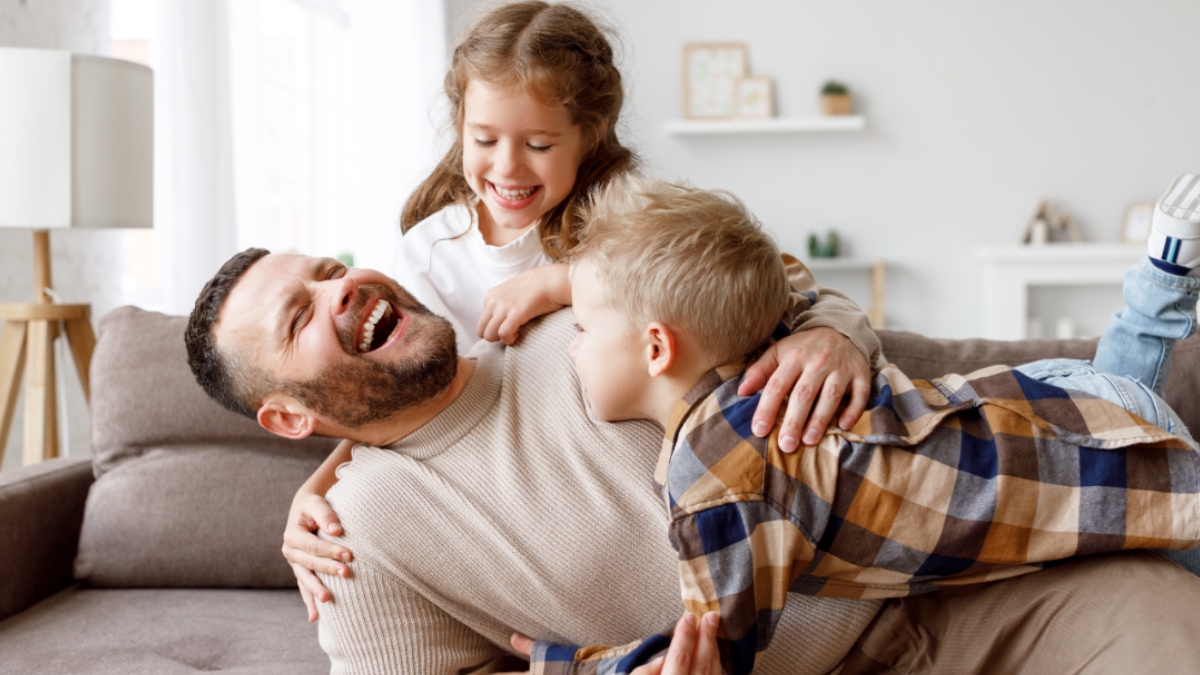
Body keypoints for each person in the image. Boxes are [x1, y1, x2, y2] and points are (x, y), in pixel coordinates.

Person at [184, 247, 1200, 673]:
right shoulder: (356, 536)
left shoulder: (573, 320)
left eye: (328, 268)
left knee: (1169, 620)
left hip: (949, 589)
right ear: (284, 418)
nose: (342, 288)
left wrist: (835, 331)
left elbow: (775, 278)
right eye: (303, 313)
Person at [283, 0, 883, 619]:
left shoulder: (624, 217)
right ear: (459, 125)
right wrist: (316, 486)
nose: (508, 167)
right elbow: (390, 398)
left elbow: (770, 280)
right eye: (484, 139)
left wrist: (562, 282)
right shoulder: (431, 253)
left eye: (539, 144)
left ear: (589, 136)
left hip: (653, 475)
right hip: (518, 495)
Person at [520, 174, 1200, 675]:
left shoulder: (717, 479)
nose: (572, 346)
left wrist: (576, 665)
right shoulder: (759, 349)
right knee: (1130, 399)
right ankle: (1161, 277)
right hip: (1052, 401)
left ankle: (1161, 281)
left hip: (1072, 452)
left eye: (581, 327)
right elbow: (778, 278)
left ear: (657, 347)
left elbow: (711, 648)